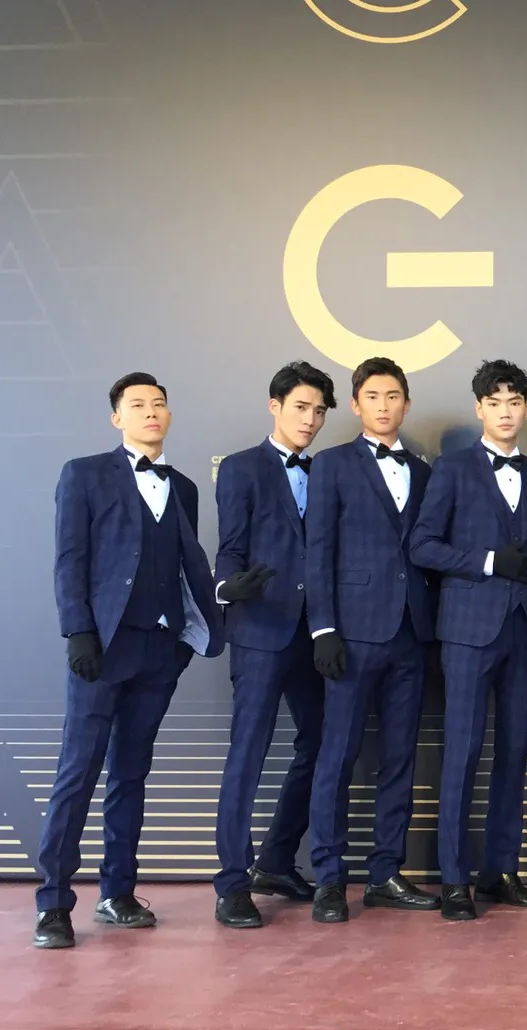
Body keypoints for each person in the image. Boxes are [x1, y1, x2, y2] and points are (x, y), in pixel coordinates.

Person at [34, 373, 223, 949]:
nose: (150, 412)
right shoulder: (84, 474)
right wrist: (78, 633)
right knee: (78, 771)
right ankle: (53, 904)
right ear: (117, 417)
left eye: (159, 404)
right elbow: (70, 559)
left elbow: (186, 564)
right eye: (137, 405)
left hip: (160, 651)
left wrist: (192, 633)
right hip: (102, 650)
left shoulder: (183, 486)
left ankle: (117, 892)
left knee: (131, 773)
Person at [410, 359, 527, 922]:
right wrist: (490, 561)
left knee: (514, 753)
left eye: (514, 402)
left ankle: (502, 871)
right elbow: (422, 545)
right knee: (463, 751)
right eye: (495, 403)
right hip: (469, 631)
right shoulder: (451, 469)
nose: (505, 412)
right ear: (479, 409)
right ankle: (455, 880)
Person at [304, 357, 438, 923]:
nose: (384, 406)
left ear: (407, 403)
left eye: (394, 396)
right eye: (373, 397)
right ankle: (329, 878)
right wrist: (324, 628)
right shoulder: (332, 465)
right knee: (337, 756)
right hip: (352, 634)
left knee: (400, 757)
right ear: (356, 405)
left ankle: (386, 872)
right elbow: (318, 551)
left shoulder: (425, 471)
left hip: (412, 633)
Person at [211, 361, 337, 929]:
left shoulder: (328, 469)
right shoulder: (241, 467)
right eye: (300, 408)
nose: (310, 420)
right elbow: (230, 547)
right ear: (274, 406)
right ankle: (231, 884)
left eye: (319, 411)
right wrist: (227, 587)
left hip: (317, 633)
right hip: (261, 630)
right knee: (248, 754)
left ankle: (277, 860)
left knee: (323, 744)